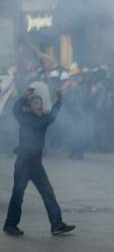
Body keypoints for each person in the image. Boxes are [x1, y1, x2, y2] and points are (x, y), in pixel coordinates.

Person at [3, 87, 75, 236]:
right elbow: (16, 109)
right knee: (18, 195)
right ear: (29, 107)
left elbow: (52, 116)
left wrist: (59, 101)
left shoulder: (42, 119)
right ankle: (10, 225)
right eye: (36, 103)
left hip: (36, 165)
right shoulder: (25, 118)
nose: (40, 106)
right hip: (23, 164)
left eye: (41, 103)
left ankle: (56, 224)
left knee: (48, 193)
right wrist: (24, 96)